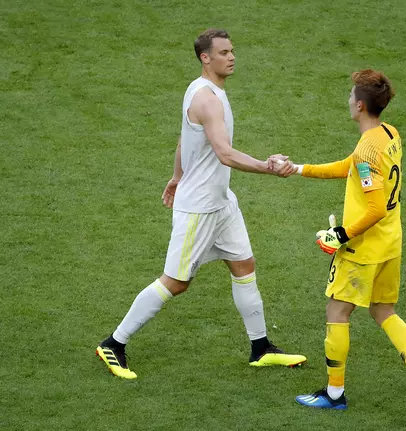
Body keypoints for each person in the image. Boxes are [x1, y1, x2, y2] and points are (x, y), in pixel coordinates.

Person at [95, 28, 306, 379]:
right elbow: (224, 154)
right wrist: (267, 167)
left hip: (221, 203)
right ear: (205, 58)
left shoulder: (203, 91)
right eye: (224, 52)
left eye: (232, 51)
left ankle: (261, 348)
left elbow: (184, 137)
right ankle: (113, 344)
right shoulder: (207, 98)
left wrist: (177, 175)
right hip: (200, 209)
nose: (232, 57)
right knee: (176, 283)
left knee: (244, 266)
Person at [288, 69, 406, 417]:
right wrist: (298, 169)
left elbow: (374, 207)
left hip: (363, 249)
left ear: (359, 105)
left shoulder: (368, 149)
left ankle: (335, 393)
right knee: (384, 310)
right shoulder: (388, 134)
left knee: (337, 312)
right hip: (391, 244)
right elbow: (350, 167)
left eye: (350, 96)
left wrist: (340, 234)